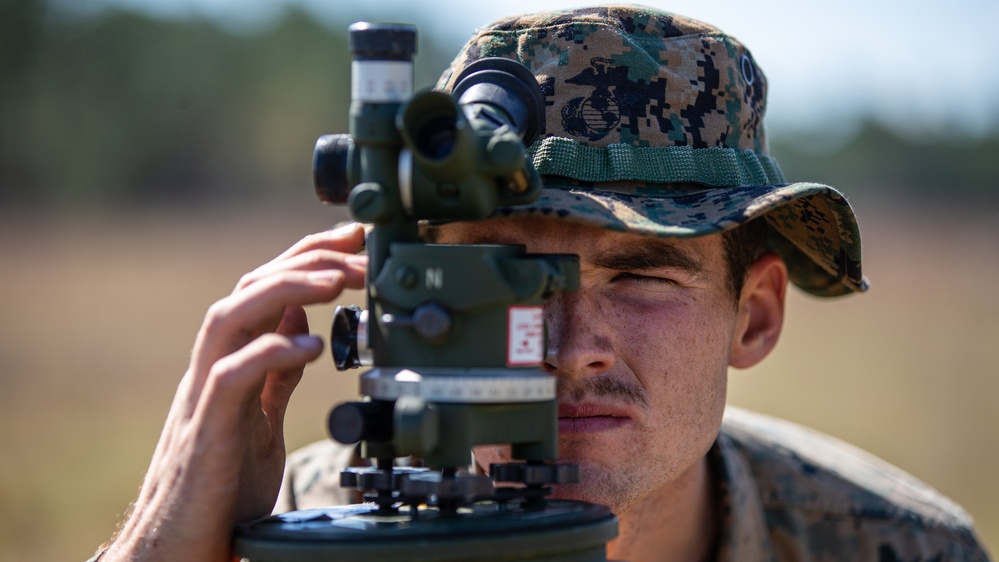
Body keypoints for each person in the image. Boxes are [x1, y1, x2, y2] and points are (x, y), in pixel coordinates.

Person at [91, 5, 991, 562]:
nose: (565, 347)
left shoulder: (896, 549)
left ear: (750, 318)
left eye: (640, 275)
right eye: (503, 276)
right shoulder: (300, 530)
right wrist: (164, 544)